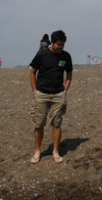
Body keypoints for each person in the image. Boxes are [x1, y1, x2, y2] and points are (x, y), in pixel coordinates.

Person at [29, 30, 72, 164]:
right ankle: (37, 151)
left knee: (57, 124)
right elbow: (32, 72)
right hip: (41, 94)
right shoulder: (42, 54)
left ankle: (55, 151)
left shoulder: (66, 56)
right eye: (58, 44)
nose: (61, 47)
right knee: (39, 124)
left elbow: (69, 74)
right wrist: (35, 90)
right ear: (52, 43)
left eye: (63, 44)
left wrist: (65, 90)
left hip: (58, 95)